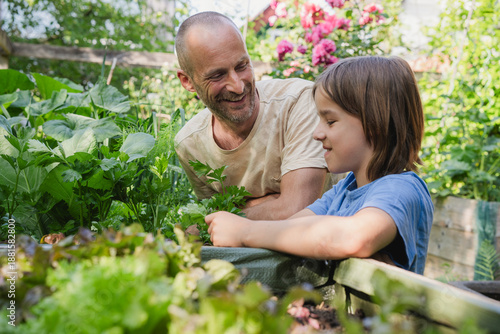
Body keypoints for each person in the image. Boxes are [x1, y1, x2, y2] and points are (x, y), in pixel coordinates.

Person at [205, 56, 434, 274]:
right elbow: (291, 229)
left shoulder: (400, 189)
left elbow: (353, 238)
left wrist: (246, 232)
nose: (317, 133)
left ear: (375, 124)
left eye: (330, 121)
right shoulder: (344, 191)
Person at [174, 11, 342, 220]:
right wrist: (274, 203)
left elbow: (298, 209)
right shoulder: (190, 143)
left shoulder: (298, 101)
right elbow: (214, 219)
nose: (237, 86)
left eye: (242, 66)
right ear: (187, 81)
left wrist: (278, 205)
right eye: (217, 75)